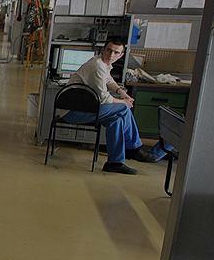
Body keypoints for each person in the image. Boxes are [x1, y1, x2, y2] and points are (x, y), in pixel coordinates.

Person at [61, 37, 166, 175]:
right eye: (109, 50)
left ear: (121, 55)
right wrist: (124, 102)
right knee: (123, 109)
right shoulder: (97, 66)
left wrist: (122, 93)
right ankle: (134, 149)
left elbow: (109, 80)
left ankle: (114, 163)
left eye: (116, 52)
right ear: (103, 50)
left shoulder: (103, 64)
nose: (111, 55)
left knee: (116, 121)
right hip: (72, 113)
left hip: (86, 109)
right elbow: (104, 98)